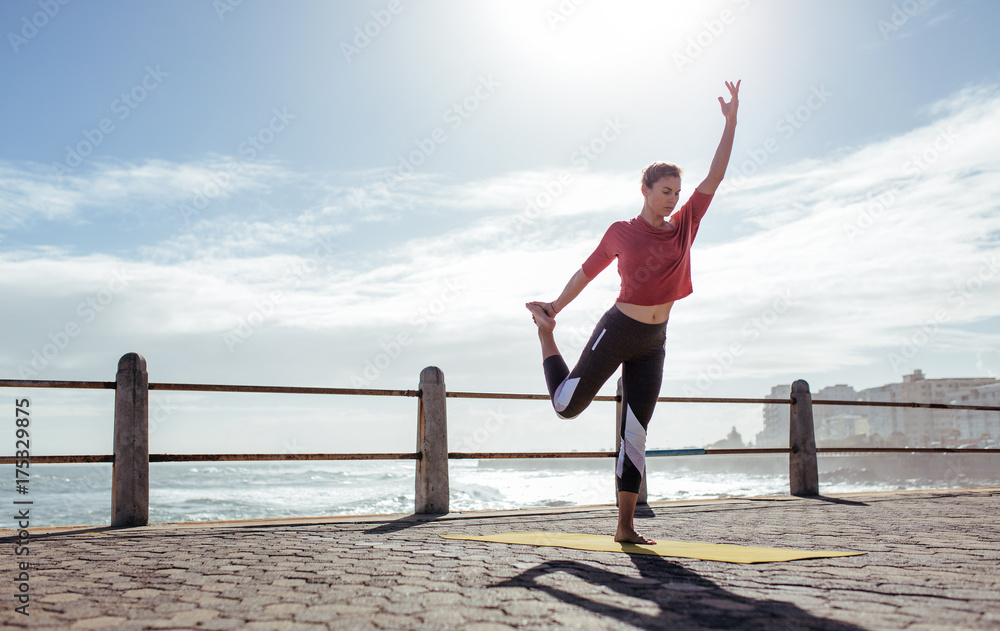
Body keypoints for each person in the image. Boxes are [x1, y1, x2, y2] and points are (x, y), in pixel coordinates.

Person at [525, 80, 741, 544]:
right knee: (567, 407)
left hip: (655, 341)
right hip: (619, 328)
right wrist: (555, 309)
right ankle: (546, 336)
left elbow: (716, 176)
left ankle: (625, 527)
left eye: (677, 191)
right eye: (665, 190)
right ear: (644, 189)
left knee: (636, 434)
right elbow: (587, 272)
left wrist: (730, 122)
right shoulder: (621, 232)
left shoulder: (685, 225)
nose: (673, 198)